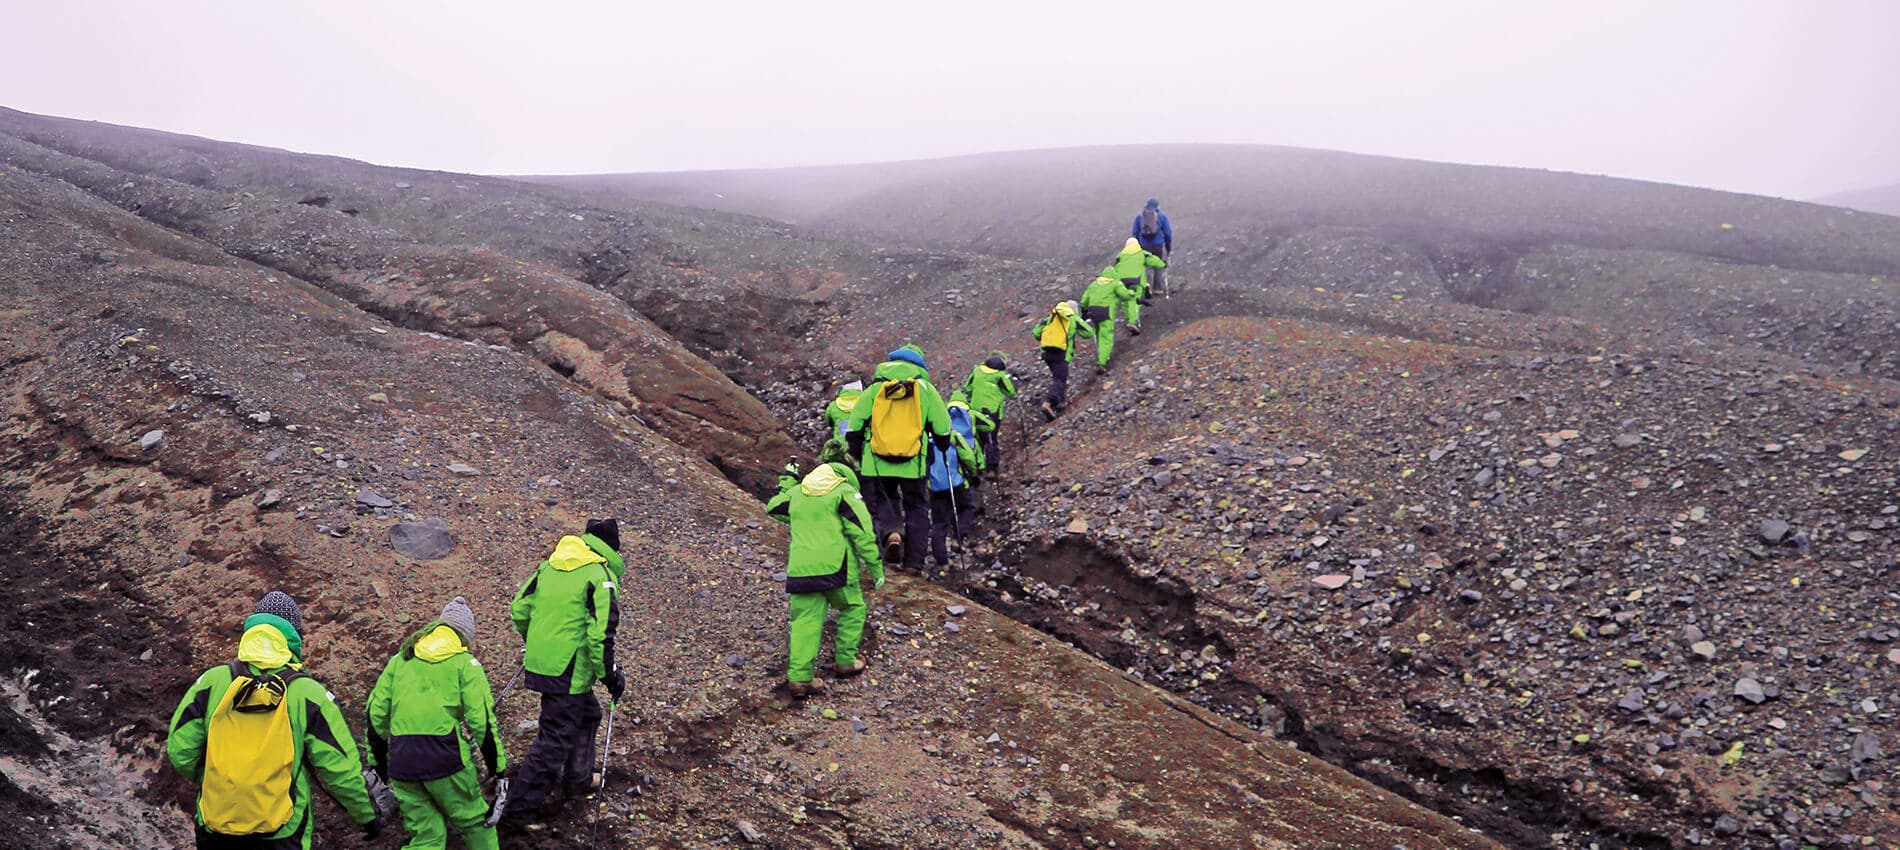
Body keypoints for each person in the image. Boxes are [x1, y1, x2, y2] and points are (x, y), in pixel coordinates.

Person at [166, 591, 383, 849]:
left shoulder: (213, 681)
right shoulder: (308, 694)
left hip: (216, 826)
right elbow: (339, 770)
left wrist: (222, 780)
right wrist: (367, 816)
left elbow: (179, 750)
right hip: (281, 834)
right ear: (294, 637)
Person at [502, 519, 625, 824]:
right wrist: (610, 675)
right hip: (569, 670)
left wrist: (541, 643)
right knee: (554, 740)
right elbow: (601, 636)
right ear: (612, 548)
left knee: (587, 715)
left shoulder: (549, 567)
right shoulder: (600, 575)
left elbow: (519, 608)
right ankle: (518, 812)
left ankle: (578, 779)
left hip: (543, 663)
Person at [367, 597, 505, 850]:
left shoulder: (401, 660)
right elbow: (482, 723)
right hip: (445, 759)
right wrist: (498, 771)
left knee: (427, 837)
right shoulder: (465, 665)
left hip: (402, 762)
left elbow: (375, 715)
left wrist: (379, 766)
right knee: (477, 822)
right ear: (464, 637)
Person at [764, 462, 886, 696]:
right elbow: (862, 532)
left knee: (804, 622)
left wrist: (788, 480)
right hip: (836, 569)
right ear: (844, 478)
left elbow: (774, 507)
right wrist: (876, 569)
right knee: (852, 607)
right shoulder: (844, 493)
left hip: (801, 571)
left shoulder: (798, 493)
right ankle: (846, 661)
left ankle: (800, 679)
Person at [843, 345, 952, 569]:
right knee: (917, 507)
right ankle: (913, 563)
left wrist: (855, 452)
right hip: (914, 462)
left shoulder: (876, 388)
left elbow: (855, 425)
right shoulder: (926, 389)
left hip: (877, 461)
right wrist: (941, 446)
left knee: (885, 499)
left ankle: (892, 533)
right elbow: (942, 429)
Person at [927, 399, 984, 567]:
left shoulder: (923, 436)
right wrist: (974, 475)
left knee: (938, 523)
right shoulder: (951, 434)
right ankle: (958, 538)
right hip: (955, 481)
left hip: (935, 486)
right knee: (967, 507)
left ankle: (941, 560)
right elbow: (967, 456)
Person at [959, 353, 1018, 473]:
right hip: (992, 411)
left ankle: (976, 465)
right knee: (991, 438)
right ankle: (992, 468)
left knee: (978, 437)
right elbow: (1011, 392)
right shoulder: (999, 376)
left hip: (975, 410)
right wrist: (1015, 383)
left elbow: (968, 388)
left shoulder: (977, 371)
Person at [1032, 301, 1090, 420]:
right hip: (1060, 352)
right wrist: (1077, 329)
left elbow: (1036, 332)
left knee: (1057, 376)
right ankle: (1048, 402)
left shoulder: (1052, 316)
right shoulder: (1072, 317)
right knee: (1060, 379)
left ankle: (1059, 402)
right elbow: (1088, 332)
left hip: (1047, 352)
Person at [1078, 271, 1138, 371]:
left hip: (1092, 311)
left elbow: (1084, 301)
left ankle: (1100, 356)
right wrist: (1132, 291)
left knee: (1098, 335)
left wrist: (1084, 312)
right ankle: (1102, 362)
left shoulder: (1094, 284)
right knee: (1106, 338)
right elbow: (1125, 295)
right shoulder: (1115, 284)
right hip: (1105, 312)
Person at [1110, 237, 1168, 333]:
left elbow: (1114, 269)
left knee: (1125, 301)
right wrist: (1163, 264)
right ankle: (1133, 322)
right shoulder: (1142, 253)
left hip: (1122, 282)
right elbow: (1153, 261)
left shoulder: (1120, 256)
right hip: (1136, 280)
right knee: (1135, 300)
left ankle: (1129, 319)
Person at [1131, 197, 1173, 294]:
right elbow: (1168, 233)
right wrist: (1168, 246)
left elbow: (1134, 232)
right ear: (1157, 206)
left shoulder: (1139, 217)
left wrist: (1137, 245)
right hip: (1157, 245)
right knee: (1157, 266)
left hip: (1143, 246)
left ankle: (1146, 288)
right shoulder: (1161, 216)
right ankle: (1157, 288)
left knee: (1144, 266)